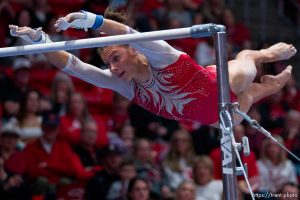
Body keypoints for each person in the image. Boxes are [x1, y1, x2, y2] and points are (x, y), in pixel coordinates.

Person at [8, 8, 297, 127]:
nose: (112, 67)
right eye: (108, 62)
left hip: (220, 84)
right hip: (218, 117)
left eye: (116, 58)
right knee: (263, 91)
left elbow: (130, 34)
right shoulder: (123, 83)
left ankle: (261, 52)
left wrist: (90, 19)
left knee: (246, 66)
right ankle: (274, 83)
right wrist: (40, 42)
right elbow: (75, 67)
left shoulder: (160, 56)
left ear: (133, 52)